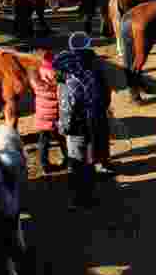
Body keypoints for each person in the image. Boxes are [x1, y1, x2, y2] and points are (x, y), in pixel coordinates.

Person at [54, 34, 109, 210]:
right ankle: (91, 195)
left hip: (75, 127)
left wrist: (64, 126)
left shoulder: (66, 76)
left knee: (76, 162)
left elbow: (65, 106)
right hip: (94, 121)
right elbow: (105, 94)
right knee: (90, 159)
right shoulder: (95, 67)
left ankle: (78, 198)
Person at [31, 50, 67, 175]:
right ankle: (68, 158)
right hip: (56, 112)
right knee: (62, 137)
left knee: (43, 140)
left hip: (42, 113)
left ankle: (44, 164)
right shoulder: (57, 74)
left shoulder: (36, 74)